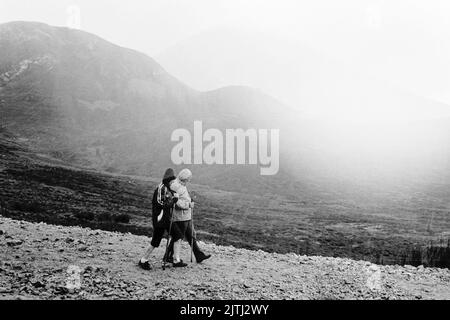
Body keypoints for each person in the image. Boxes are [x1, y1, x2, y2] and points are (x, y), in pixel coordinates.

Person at [138, 168, 181, 270]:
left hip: (166, 218)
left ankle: (175, 260)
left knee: (178, 235)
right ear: (167, 179)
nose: (172, 182)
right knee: (156, 241)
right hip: (160, 218)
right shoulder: (160, 189)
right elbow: (161, 204)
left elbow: (169, 199)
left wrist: (174, 197)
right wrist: (173, 201)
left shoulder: (167, 187)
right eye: (171, 180)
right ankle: (143, 260)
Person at [169, 168, 211, 267]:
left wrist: (188, 200)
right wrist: (188, 205)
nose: (189, 180)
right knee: (178, 237)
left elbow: (182, 198)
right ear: (184, 178)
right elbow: (176, 202)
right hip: (181, 217)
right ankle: (168, 255)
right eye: (188, 179)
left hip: (186, 216)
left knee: (190, 235)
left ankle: (198, 255)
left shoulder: (181, 185)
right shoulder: (176, 186)